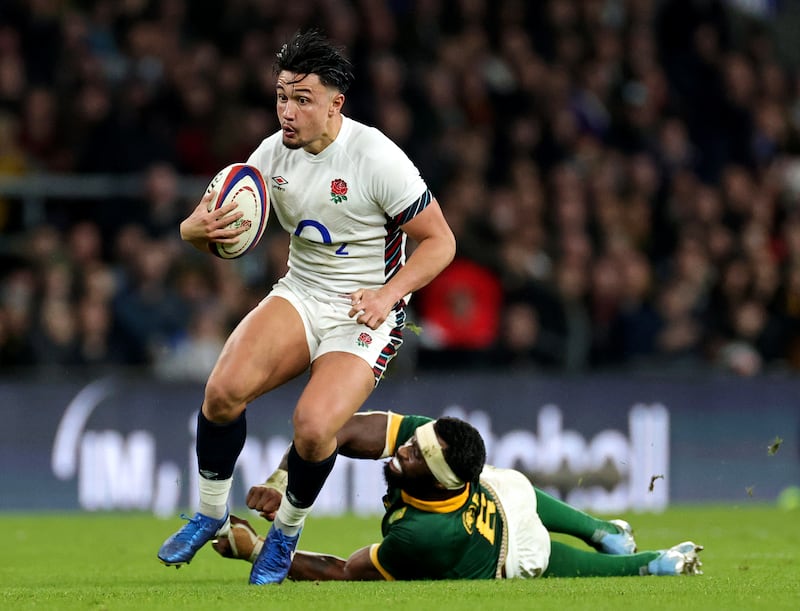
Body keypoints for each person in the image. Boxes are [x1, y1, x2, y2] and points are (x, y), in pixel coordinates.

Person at [157, 30, 457, 586]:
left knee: (315, 429)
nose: (287, 112)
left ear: (334, 104)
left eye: (302, 100)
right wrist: (190, 231)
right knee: (222, 394)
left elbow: (441, 242)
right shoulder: (271, 156)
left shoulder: (377, 158)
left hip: (365, 311)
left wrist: (389, 295)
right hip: (301, 291)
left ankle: (286, 535)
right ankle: (208, 512)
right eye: (280, 97)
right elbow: (223, 237)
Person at [212, 411, 704, 580]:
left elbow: (342, 572)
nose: (406, 448)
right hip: (498, 491)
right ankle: (601, 530)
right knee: (511, 482)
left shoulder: (424, 535)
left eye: (418, 455)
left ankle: (651, 562)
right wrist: (284, 479)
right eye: (413, 442)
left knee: (568, 566)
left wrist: (255, 549)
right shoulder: (433, 442)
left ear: (441, 480)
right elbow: (335, 430)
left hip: (506, 553)